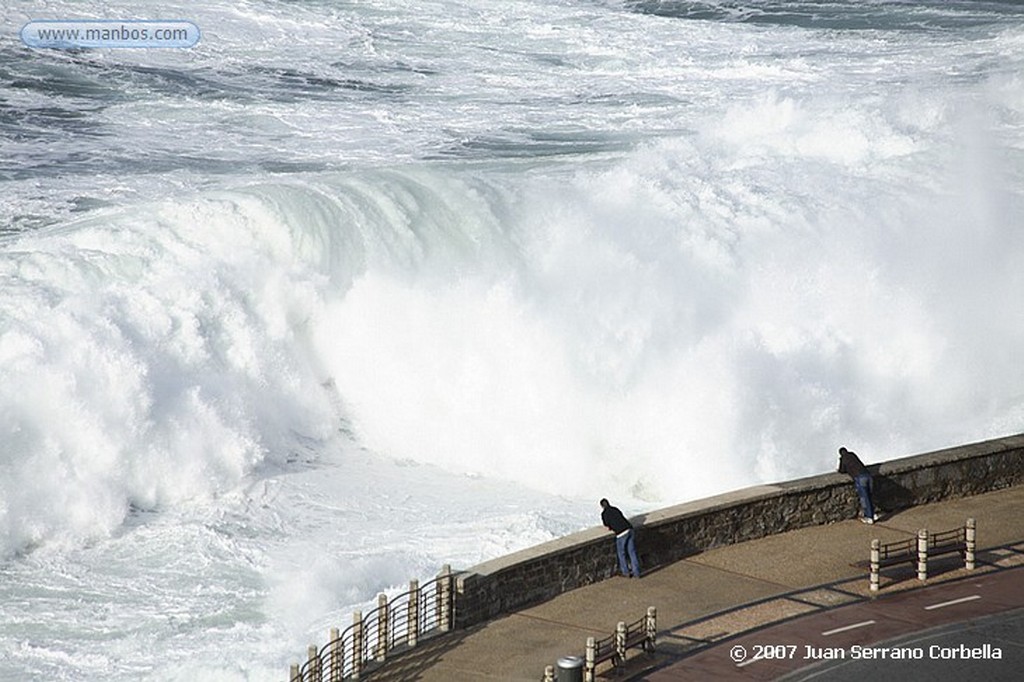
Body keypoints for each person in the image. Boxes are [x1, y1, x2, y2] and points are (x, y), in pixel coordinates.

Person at [600, 498, 641, 578]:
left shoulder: (604, 514)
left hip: (621, 533)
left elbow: (606, 524)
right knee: (632, 552)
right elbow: (621, 517)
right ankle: (637, 573)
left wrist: (611, 526)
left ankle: (626, 572)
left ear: (602, 506)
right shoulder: (615, 509)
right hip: (629, 529)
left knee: (621, 554)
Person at [838, 447, 878, 524]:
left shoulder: (843, 458)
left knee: (864, 498)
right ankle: (873, 514)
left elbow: (842, 470)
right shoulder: (853, 455)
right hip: (868, 476)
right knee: (869, 496)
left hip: (860, 478)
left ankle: (869, 517)